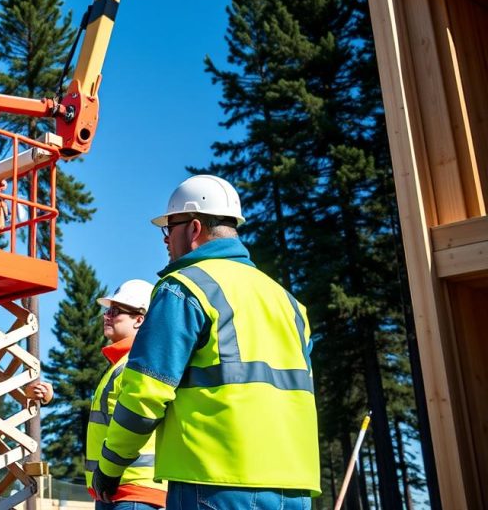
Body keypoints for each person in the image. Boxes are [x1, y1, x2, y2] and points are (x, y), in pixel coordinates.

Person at [91, 175, 320, 510]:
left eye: (169, 229)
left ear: (194, 229)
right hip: (294, 487)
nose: (166, 240)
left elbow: (145, 394)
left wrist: (110, 467)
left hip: (214, 482)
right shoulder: (288, 302)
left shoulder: (184, 287)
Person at [26, 279, 166, 510]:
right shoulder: (119, 366)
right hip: (114, 489)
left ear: (140, 320)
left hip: (133, 491)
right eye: (107, 310)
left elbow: (139, 419)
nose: (106, 316)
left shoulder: (137, 364)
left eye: (116, 311)